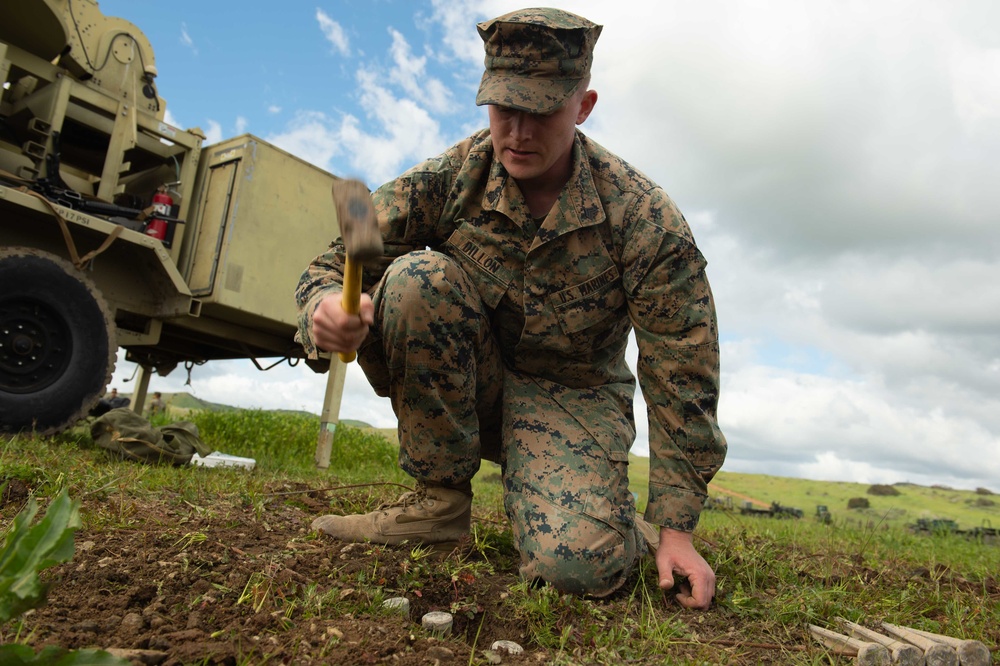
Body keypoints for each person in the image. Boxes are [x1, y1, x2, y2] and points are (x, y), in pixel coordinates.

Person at [296, 8, 727, 609]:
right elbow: (335, 259)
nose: (518, 132)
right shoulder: (451, 174)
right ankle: (438, 506)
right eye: (504, 109)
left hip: (573, 400)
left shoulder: (646, 218)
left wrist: (677, 527)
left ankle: (611, 520)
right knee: (420, 278)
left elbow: (683, 372)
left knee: (580, 572)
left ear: (583, 105)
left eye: (543, 110)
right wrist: (325, 310)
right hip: (474, 382)